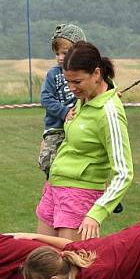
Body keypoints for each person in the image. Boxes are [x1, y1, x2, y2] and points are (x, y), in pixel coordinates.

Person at [36, 40, 133, 279]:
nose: (72, 88)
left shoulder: (109, 111)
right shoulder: (84, 102)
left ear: (96, 74)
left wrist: (97, 212)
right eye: (68, 82)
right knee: (45, 266)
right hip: (55, 189)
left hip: (81, 196)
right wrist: (78, 106)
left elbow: (124, 173)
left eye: (77, 82)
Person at [37, 23, 86, 179]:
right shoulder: (53, 74)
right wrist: (64, 112)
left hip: (78, 127)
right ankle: (53, 187)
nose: (60, 58)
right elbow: (45, 98)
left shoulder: (86, 74)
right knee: (47, 162)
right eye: (57, 53)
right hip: (56, 129)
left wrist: (111, 94)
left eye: (65, 53)